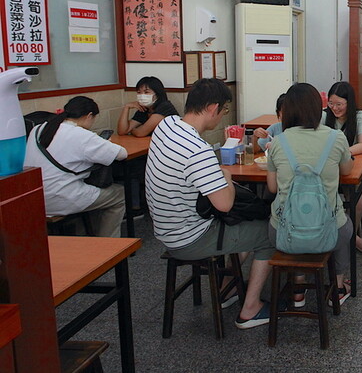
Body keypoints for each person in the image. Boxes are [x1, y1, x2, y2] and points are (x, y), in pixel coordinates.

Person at [145, 78, 274, 330]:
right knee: (268, 233)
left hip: (165, 229)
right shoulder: (197, 149)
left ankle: (227, 287)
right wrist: (225, 174)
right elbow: (225, 204)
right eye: (224, 110)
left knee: (245, 221)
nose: (222, 116)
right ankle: (250, 309)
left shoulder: (166, 126)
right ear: (214, 108)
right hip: (188, 239)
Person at [266, 83, 354, 307]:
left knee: (288, 222)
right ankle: (339, 285)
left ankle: (298, 288)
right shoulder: (336, 137)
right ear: (318, 108)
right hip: (329, 230)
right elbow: (346, 171)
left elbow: (272, 188)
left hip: (283, 233)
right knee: (345, 225)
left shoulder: (277, 142)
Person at [24, 96, 127, 237]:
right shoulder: (82, 135)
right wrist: (106, 143)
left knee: (95, 191)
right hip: (59, 198)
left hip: (34, 198)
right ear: (89, 116)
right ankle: (109, 246)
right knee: (118, 193)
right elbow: (122, 154)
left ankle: (88, 235)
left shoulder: (38, 129)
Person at [322, 81, 362, 254]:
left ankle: (350, 236)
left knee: (358, 202)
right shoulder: (323, 117)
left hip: (354, 167)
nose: (334, 108)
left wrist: (340, 153)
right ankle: (332, 233)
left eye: (339, 104)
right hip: (328, 168)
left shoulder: (360, 116)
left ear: (349, 103)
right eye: (331, 103)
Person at [116, 76, 178, 215]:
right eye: (139, 92)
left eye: (146, 92)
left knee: (131, 168)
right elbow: (121, 131)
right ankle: (134, 205)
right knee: (124, 166)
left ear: (157, 93)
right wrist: (126, 108)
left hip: (167, 155)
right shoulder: (144, 110)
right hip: (150, 152)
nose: (142, 96)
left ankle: (135, 208)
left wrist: (133, 130)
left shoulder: (164, 107)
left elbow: (140, 132)